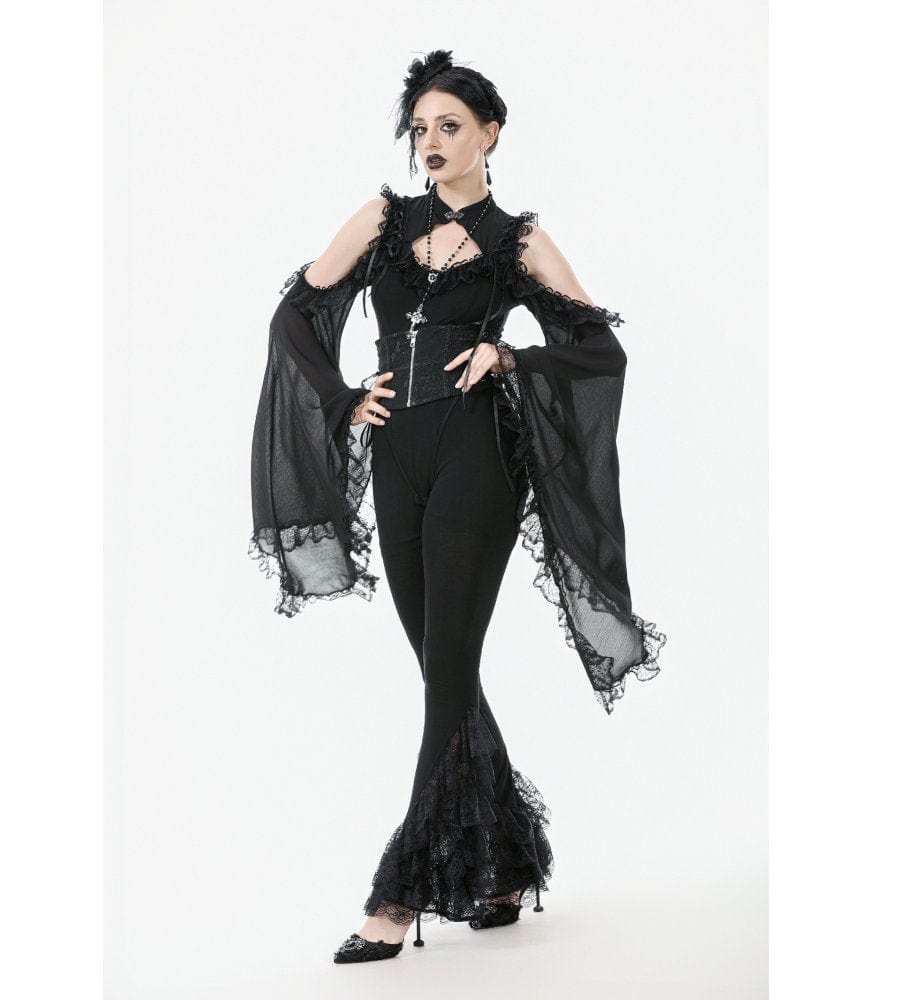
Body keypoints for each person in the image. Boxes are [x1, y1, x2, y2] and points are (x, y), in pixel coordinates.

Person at [248, 49, 668, 965]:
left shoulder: (518, 241)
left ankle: (398, 895)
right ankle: (506, 866)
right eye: (420, 128)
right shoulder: (383, 220)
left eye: (449, 126)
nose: (430, 142)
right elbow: (294, 316)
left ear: (490, 135)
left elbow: (599, 348)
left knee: (446, 670)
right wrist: (340, 397)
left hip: (479, 459)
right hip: (397, 455)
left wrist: (507, 356)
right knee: (444, 668)